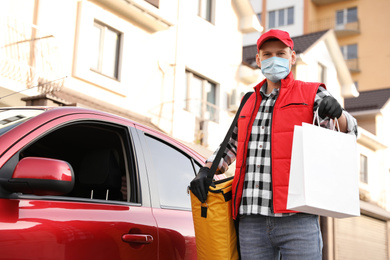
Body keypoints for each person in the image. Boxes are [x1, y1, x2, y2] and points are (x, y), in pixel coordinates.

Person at [190, 29, 358, 260]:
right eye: (267, 54)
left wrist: (338, 113)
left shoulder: (312, 94)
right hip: (251, 219)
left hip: (297, 217)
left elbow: (350, 131)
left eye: (281, 53)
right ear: (258, 60)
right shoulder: (248, 100)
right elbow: (230, 145)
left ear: (292, 57)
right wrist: (206, 170)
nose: (274, 58)